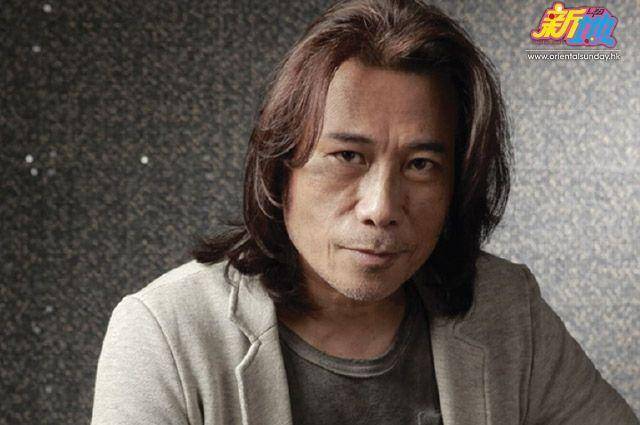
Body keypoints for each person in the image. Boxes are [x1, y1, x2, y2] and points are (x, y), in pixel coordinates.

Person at [90, 0, 639, 424]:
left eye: (421, 165)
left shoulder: (507, 309)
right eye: (347, 157)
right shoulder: (165, 332)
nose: (381, 208)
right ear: (281, 167)